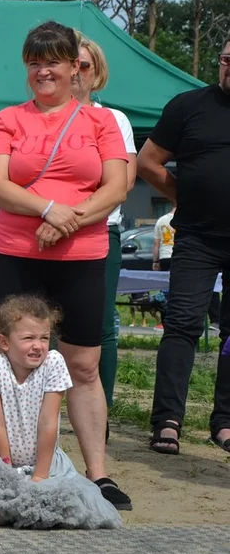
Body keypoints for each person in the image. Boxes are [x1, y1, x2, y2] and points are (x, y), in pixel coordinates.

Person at [0, 21, 131, 511]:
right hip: (16, 252)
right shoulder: (6, 119)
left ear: (74, 67)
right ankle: (10, 464)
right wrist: (47, 210)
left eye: (53, 61)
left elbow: (116, 188)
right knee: (12, 364)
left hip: (82, 254)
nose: (43, 70)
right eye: (34, 61)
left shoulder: (101, 122)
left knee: (83, 365)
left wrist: (66, 222)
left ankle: (100, 474)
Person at [0, 295, 121, 529]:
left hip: (47, 464)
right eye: (28, 338)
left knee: (60, 507)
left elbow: (48, 423)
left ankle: (35, 510)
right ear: (4, 342)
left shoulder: (54, 363)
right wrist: (7, 475)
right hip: (4, 463)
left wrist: (40, 477)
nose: (38, 345)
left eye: (44, 338)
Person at [138, 36, 230, 455]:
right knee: (181, 327)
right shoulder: (189, 105)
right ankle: (167, 421)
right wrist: (180, 195)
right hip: (196, 235)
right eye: (227, 59)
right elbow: (147, 162)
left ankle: (225, 421)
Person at [73, 33, 137, 409]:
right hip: (46, 233)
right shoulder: (37, 115)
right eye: (73, 64)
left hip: (100, 231)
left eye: (85, 65)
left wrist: (71, 215)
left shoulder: (114, 119)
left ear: (97, 73)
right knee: (40, 328)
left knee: (101, 328)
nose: (78, 72)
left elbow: (123, 183)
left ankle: (103, 412)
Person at [153, 207, 176, 272]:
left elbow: (156, 243)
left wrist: (155, 261)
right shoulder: (186, 220)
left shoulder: (161, 220)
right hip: (180, 256)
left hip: (164, 256)